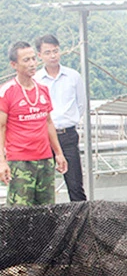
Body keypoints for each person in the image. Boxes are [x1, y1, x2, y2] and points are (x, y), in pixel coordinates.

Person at [0, 41, 68, 206]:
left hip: (44, 159)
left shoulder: (42, 90)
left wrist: (58, 153)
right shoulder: (7, 92)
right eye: (26, 60)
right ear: (14, 64)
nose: (32, 64)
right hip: (20, 161)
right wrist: (2, 162)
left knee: (46, 212)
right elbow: (1, 128)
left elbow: (48, 122)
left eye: (33, 59)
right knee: (19, 213)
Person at [34, 34, 87, 202]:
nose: (52, 56)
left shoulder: (73, 76)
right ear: (40, 55)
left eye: (55, 51)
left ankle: (82, 225)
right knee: (43, 186)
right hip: (43, 137)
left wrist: (70, 121)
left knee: (75, 185)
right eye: (48, 52)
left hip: (67, 135)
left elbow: (81, 105)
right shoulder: (36, 80)